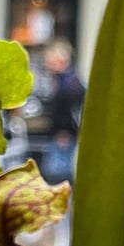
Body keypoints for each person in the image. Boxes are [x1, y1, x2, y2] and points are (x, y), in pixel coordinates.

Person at [40, 38, 86, 184]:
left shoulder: (70, 84)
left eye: (51, 60)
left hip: (63, 140)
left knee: (57, 179)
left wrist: (65, 132)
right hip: (61, 137)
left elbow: (71, 111)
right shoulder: (64, 81)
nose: (48, 65)